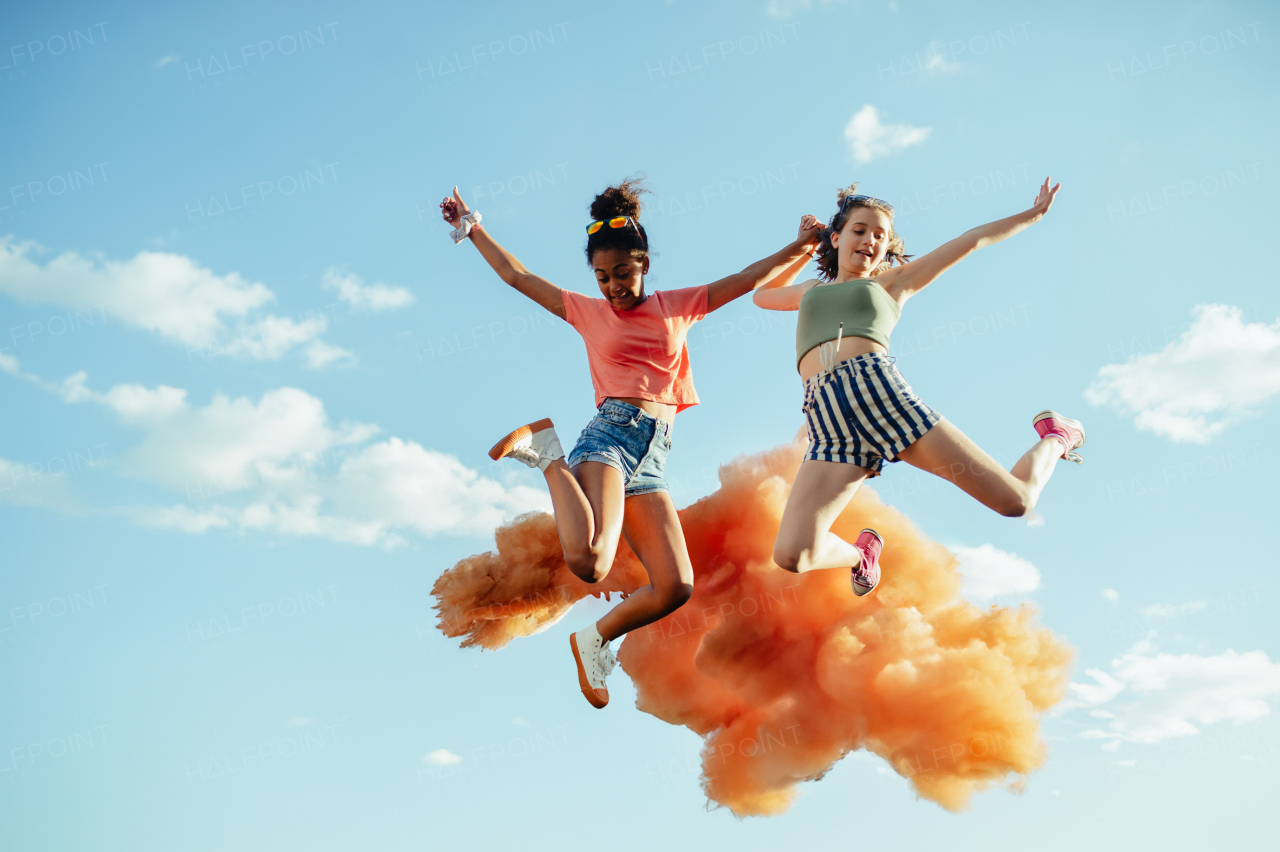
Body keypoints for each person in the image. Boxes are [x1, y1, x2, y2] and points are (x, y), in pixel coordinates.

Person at [440, 178, 821, 708]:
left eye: (622, 273)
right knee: (591, 562)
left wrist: (803, 245)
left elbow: (748, 278)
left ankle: (595, 638)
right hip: (611, 436)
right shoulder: (587, 311)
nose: (613, 287)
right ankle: (549, 451)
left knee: (674, 586)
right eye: (602, 277)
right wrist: (472, 227)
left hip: (653, 456)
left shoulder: (676, 306)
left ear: (643, 264)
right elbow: (517, 276)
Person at [753, 178, 1084, 596]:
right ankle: (862, 556)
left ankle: (1057, 437)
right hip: (827, 419)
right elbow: (763, 294)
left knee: (1015, 502)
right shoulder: (810, 291)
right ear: (836, 237)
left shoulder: (892, 284)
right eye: (860, 230)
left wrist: (1031, 214)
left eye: (881, 235)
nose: (870, 240)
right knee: (793, 554)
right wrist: (802, 247)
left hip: (882, 397)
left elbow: (971, 240)